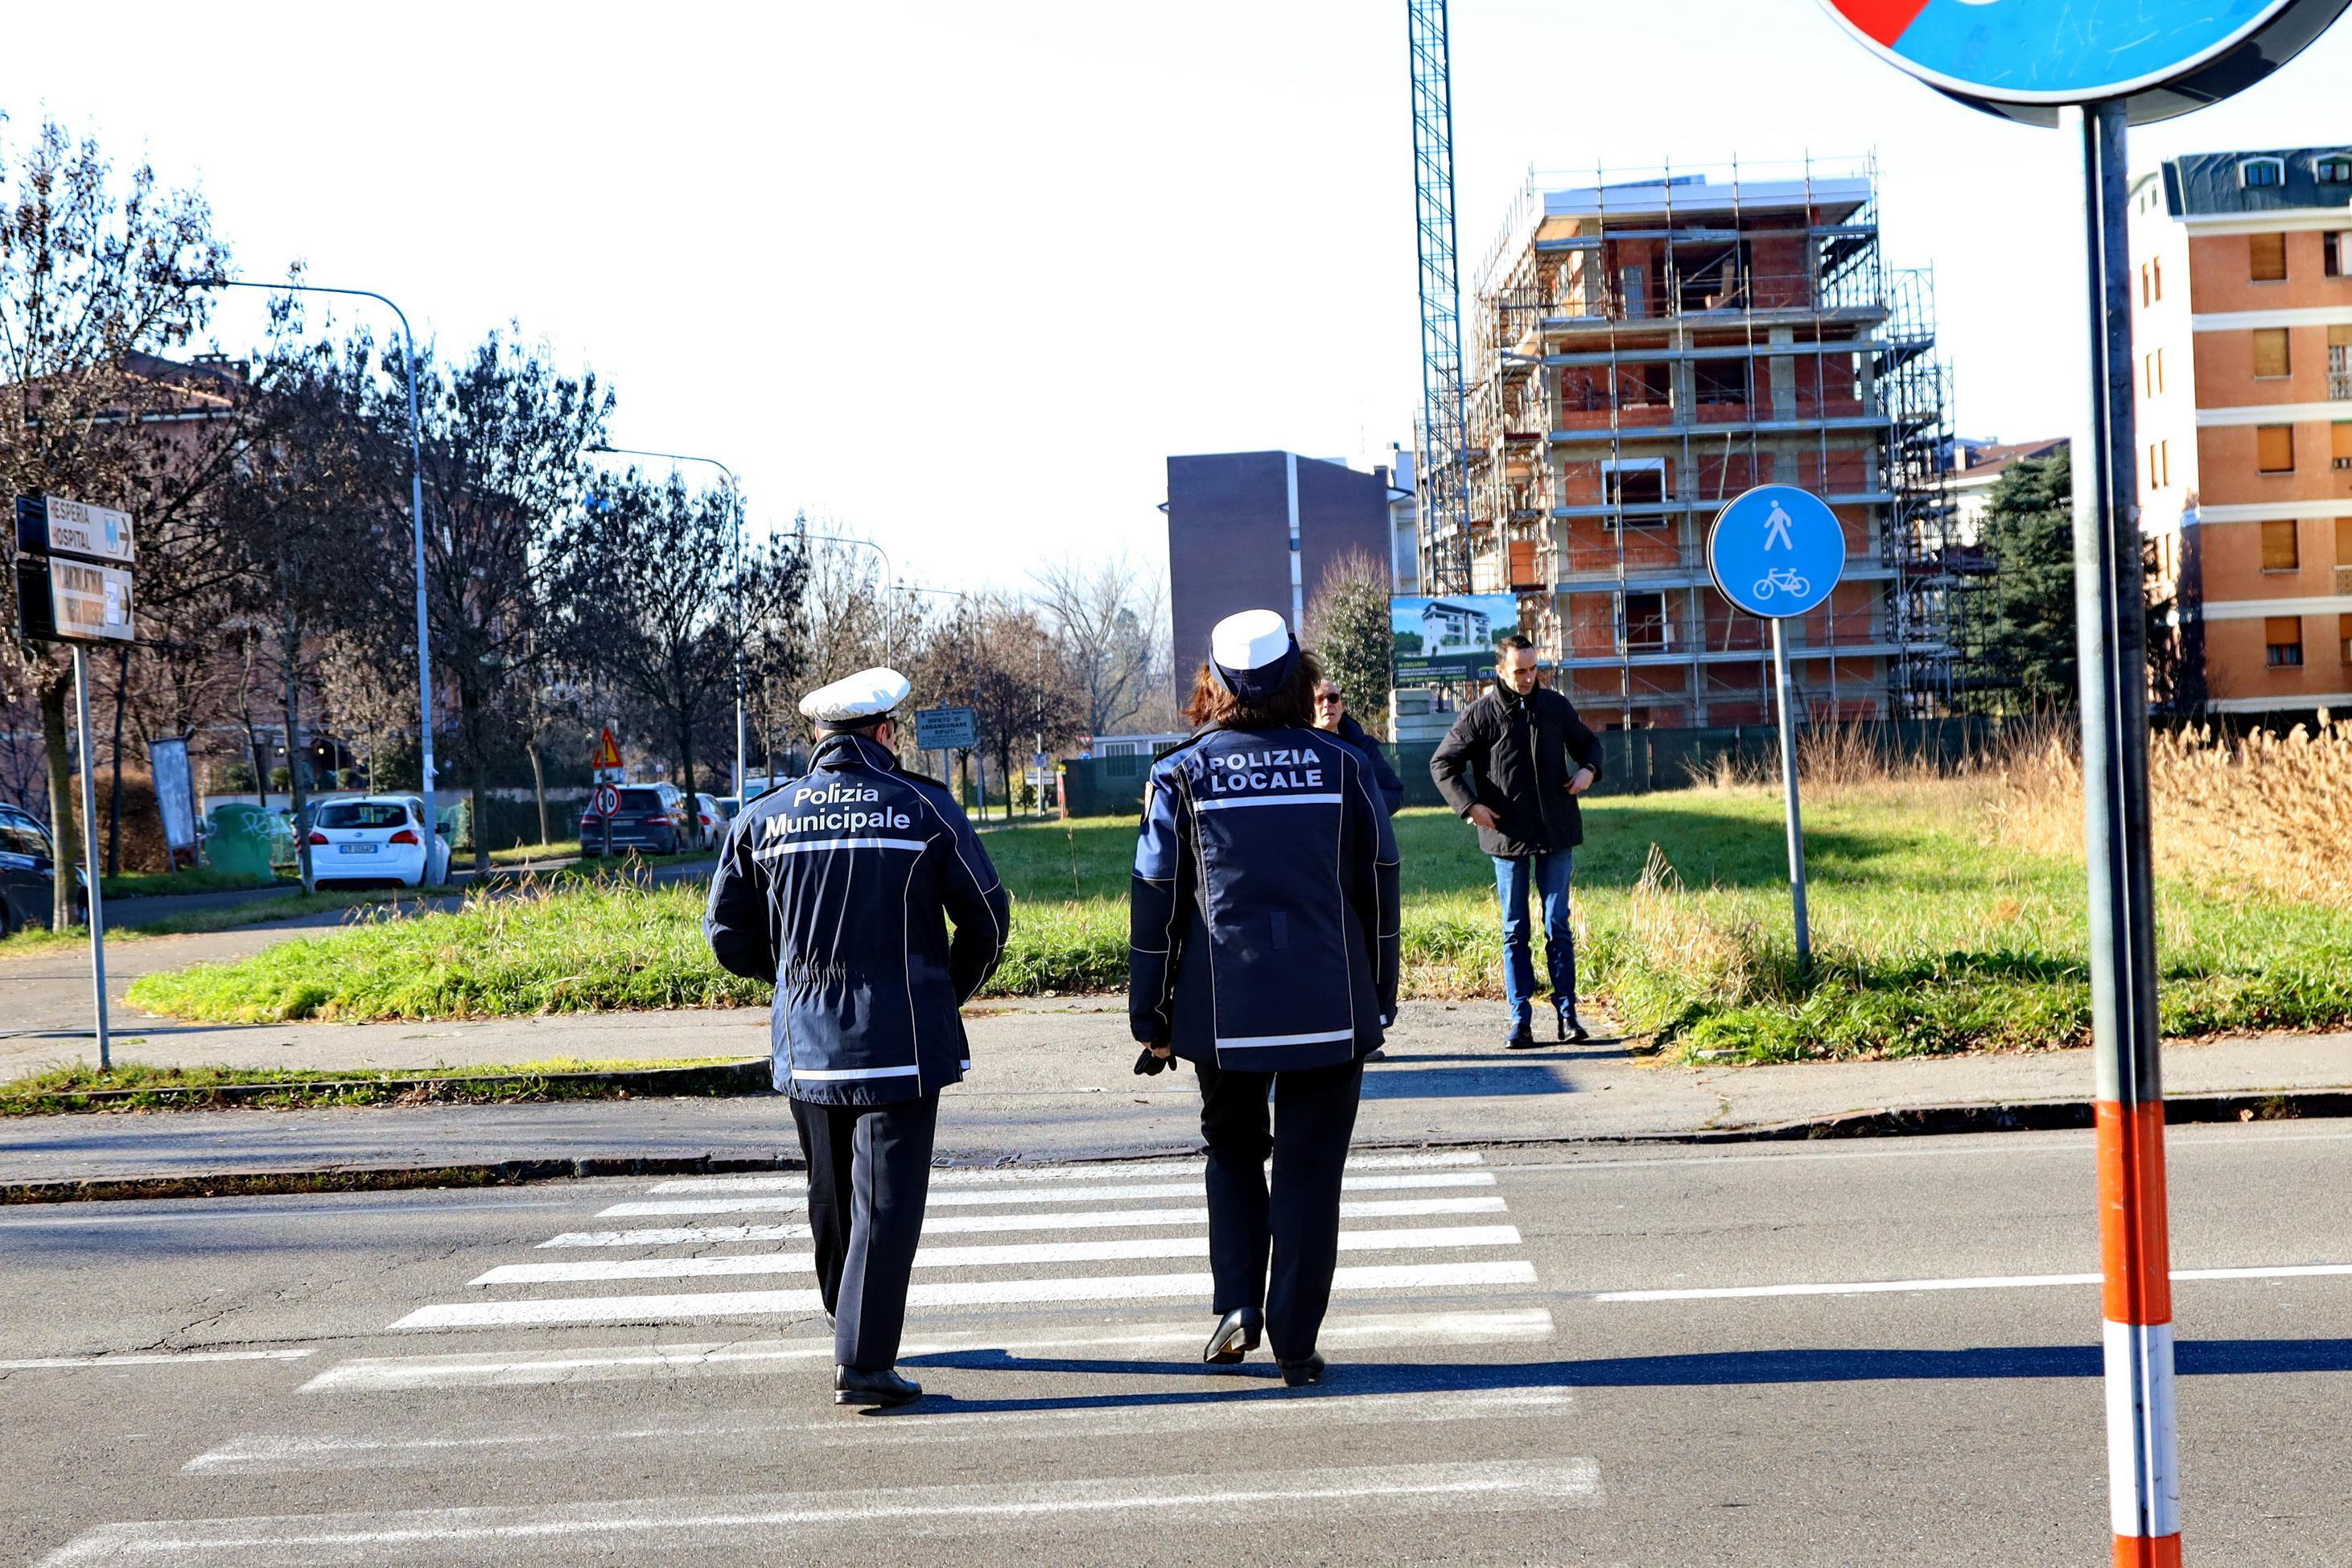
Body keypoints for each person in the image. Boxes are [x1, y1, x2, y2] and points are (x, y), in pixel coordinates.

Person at [705, 666, 1009, 1410]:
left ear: (818, 737)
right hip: (900, 1039)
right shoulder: (924, 808)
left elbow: (726, 935)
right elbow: (988, 920)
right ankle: (864, 1359)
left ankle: (848, 1322)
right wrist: (942, 993)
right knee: (887, 1203)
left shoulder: (762, 816)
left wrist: (793, 981)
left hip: (807, 1041)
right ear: (881, 733)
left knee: (832, 1195)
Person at [1130, 609, 1400, 1387]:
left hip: (1225, 1007)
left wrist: (1151, 1015)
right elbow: (1378, 883)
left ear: (1212, 683)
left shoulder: (1179, 772)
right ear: (1298, 678)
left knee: (1233, 1148)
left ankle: (1238, 1304)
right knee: (1312, 1170)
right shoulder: (1342, 765)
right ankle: (1294, 1340)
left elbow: (1156, 902)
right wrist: (1377, 993)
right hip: (1328, 1001)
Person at [1429, 633, 1604, 1048]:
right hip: (1506, 838)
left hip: (1557, 833)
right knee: (1514, 929)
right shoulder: (1480, 714)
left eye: (1533, 669)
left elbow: (1590, 744)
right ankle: (1520, 1021)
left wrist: (1589, 770)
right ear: (1501, 671)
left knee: (1557, 924)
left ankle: (1568, 1017)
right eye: (1519, 671)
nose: (1528, 678)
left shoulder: (1555, 706)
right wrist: (1470, 807)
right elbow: (1442, 763)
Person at [1312, 677, 1406, 815]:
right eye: (1319, 700)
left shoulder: (1364, 747)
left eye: (1333, 698)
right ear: (1309, 709)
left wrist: (1360, 801)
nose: (1327, 704)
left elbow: (1395, 795)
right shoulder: (1298, 750)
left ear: (1342, 706)